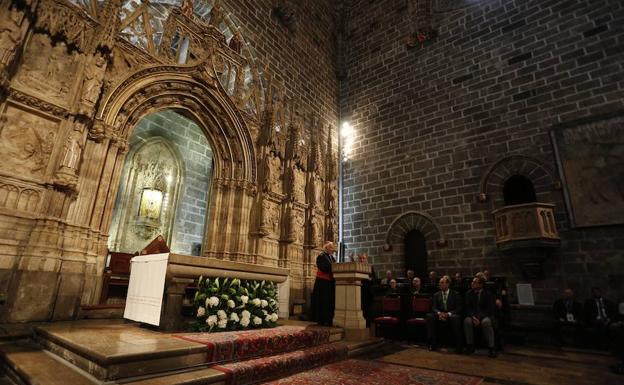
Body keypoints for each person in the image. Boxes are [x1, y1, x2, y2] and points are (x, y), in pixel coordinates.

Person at [426, 276, 463, 353]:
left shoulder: (455, 294)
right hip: (440, 314)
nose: (440, 284)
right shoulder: (436, 294)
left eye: (442, 282)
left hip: (451, 314)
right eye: (440, 282)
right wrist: (439, 313)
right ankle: (433, 344)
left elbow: (459, 308)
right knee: (430, 316)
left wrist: (448, 314)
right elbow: (433, 307)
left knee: (455, 318)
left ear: (448, 284)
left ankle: (458, 346)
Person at [464, 276, 496, 357]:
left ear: (481, 285)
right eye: (472, 282)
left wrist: (479, 318)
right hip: (473, 316)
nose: (472, 284)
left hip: (484, 315)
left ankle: (491, 347)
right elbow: (468, 307)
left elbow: (489, 309)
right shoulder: (469, 293)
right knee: (467, 321)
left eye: (475, 282)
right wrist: (473, 317)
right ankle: (470, 345)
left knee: (486, 322)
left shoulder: (488, 294)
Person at [310, 241, 336, 326]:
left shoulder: (332, 258)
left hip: (330, 283)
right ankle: (321, 320)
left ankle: (328, 319)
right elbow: (322, 267)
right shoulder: (321, 256)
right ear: (326, 248)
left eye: (333, 247)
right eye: (331, 247)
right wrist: (332, 268)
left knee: (329, 302)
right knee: (323, 302)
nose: (333, 249)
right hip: (322, 283)